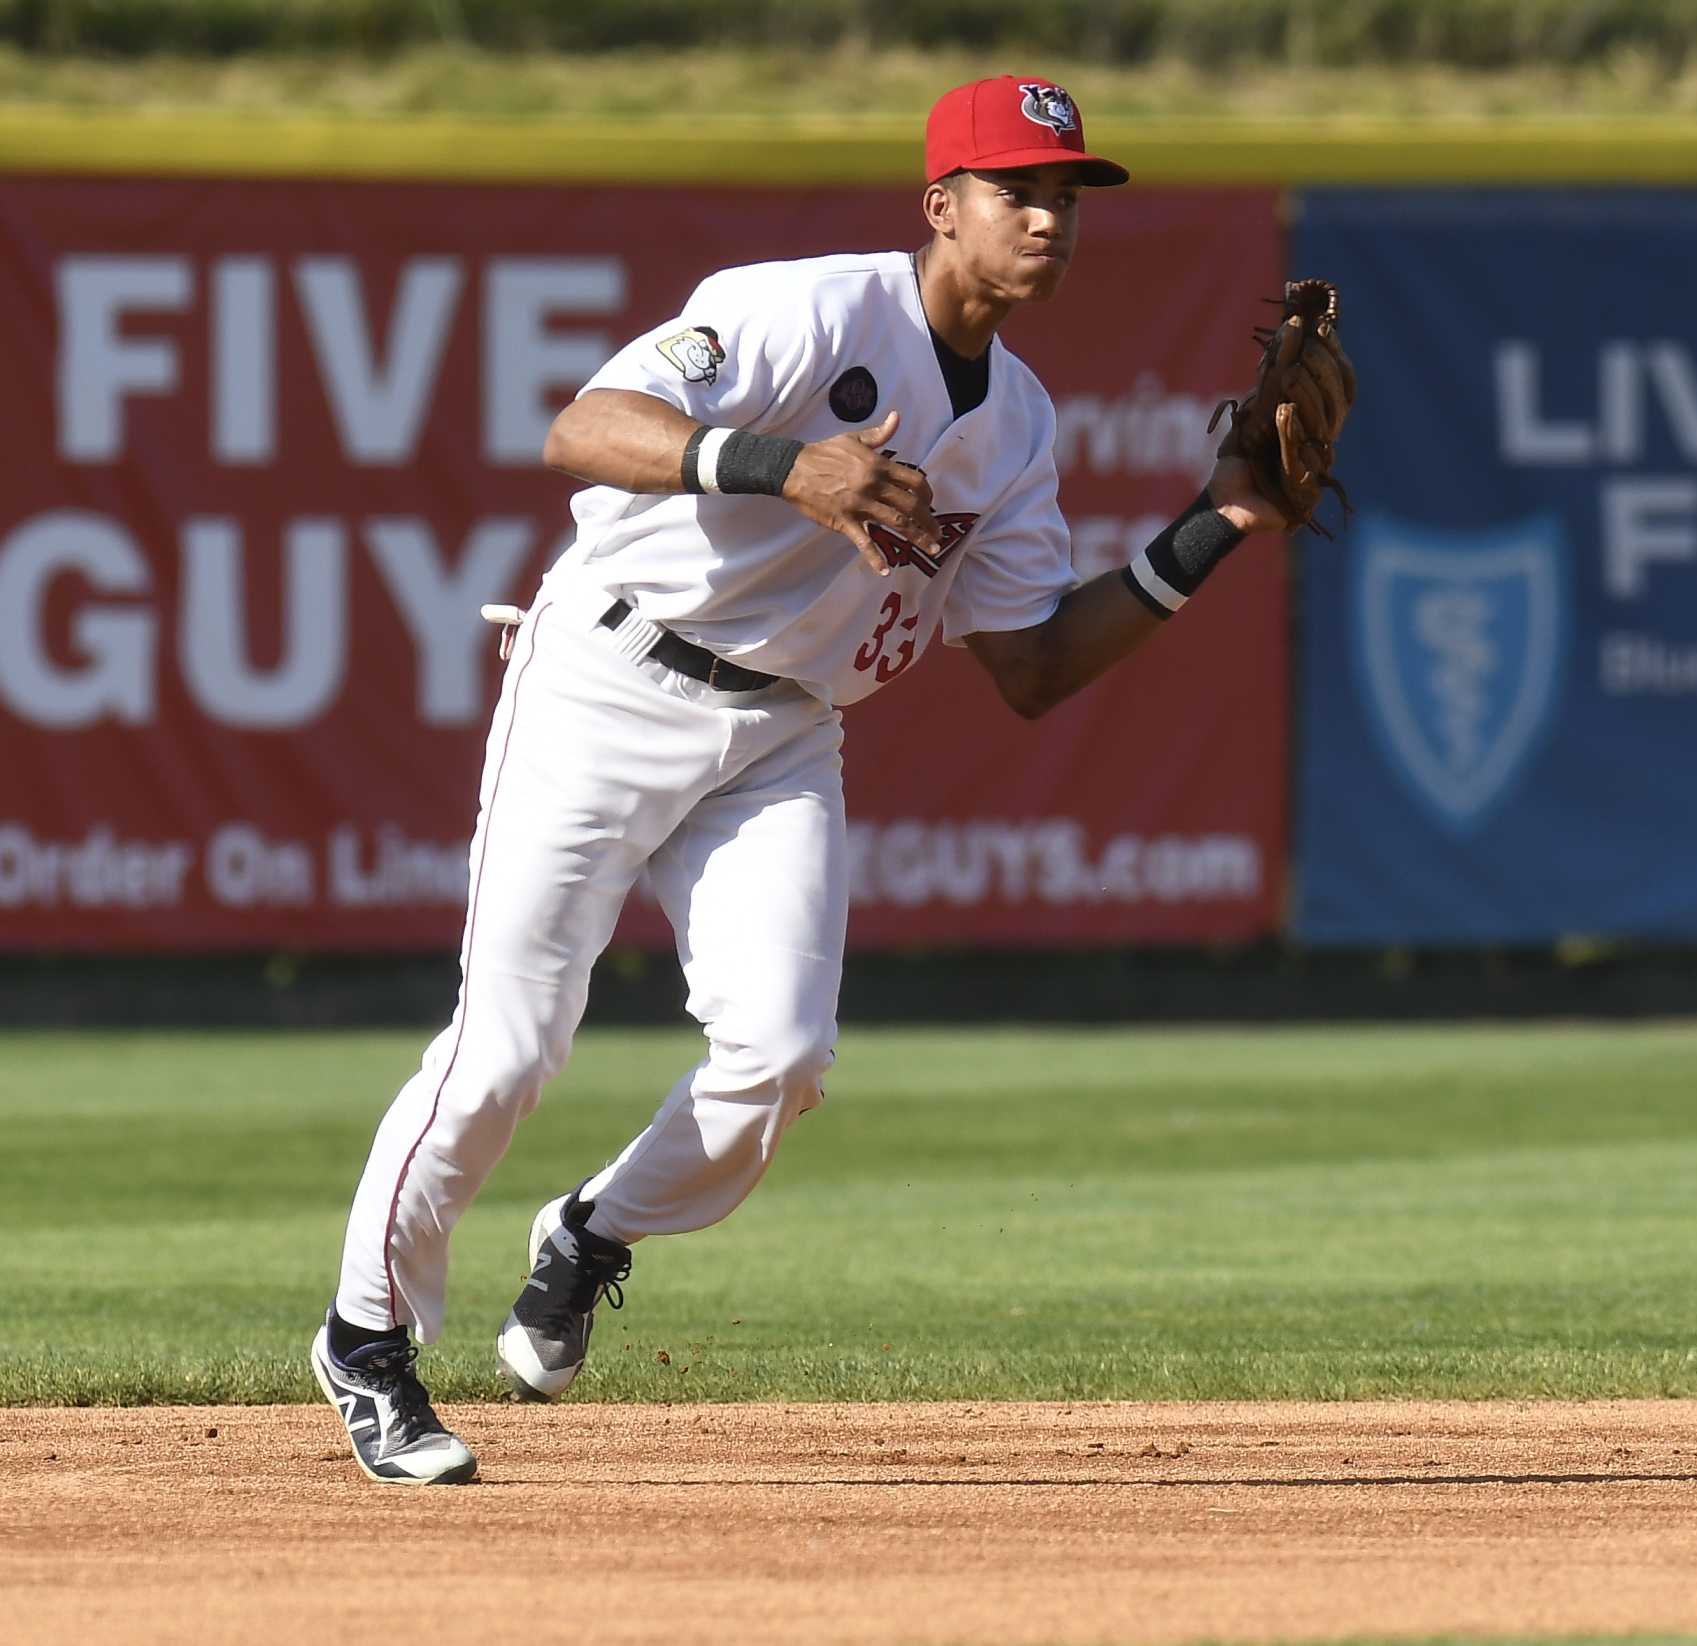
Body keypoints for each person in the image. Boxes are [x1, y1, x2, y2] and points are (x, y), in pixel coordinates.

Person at [309, 74, 1297, 1485]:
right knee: (512, 1045)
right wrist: (786, 467)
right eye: (1019, 191)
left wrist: (1222, 521)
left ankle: (588, 1233)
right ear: (940, 207)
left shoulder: (1017, 425)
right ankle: (367, 1337)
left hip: (781, 732)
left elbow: (1029, 667)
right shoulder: (807, 309)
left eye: (1067, 197)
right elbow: (583, 428)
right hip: (607, 676)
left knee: (781, 1057)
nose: (1049, 221)